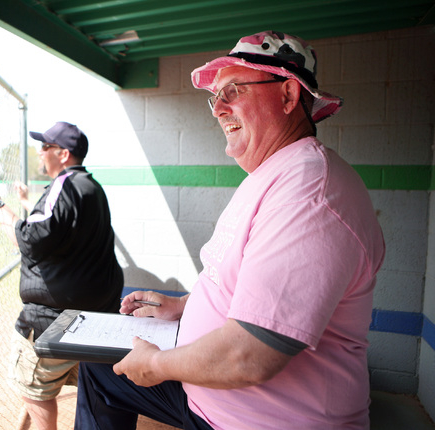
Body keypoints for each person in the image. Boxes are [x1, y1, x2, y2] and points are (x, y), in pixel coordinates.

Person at [74, 30, 385, 429]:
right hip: (216, 401)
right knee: (100, 369)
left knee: (109, 371)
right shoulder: (277, 172)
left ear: (289, 96)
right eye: (215, 96)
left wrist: (155, 364)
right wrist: (185, 307)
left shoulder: (309, 191)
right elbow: (245, 285)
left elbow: (251, 353)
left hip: (265, 420)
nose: (217, 108)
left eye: (233, 90)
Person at [0, 121, 123, 430]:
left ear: (63, 154)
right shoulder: (91, 186)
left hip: (54, 321)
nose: (40, 152)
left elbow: (29, 240)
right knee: (81, 387)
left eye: (46, 147)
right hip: (94, 316)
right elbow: (58, 231)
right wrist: (25, 203)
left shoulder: (65, 184)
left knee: (35, 393)